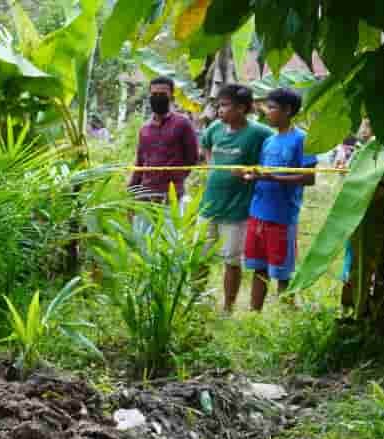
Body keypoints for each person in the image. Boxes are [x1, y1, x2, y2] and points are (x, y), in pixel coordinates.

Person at [239, 88, 317, 312]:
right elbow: (263, 172)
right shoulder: (269, 141)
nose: (268, 112)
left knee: (282, 271)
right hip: (258, 212)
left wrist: (274, 177)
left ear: (288, 110)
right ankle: (255, 314)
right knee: (258, 267)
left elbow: (309, 178)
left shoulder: (302, 139)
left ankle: (286, 315)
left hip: (282, 216)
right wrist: (249, 176)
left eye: (272, 108)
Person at [199, 83, 273, 313]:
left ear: (241, 108)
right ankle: (194, 299)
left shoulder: (260, 133)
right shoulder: (215, 129)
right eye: (218, 105)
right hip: (209, 205)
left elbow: (272, 158)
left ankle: (228, 307)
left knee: (231, 259)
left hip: (237, 210)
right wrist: (213, 166)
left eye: (225, 106)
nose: (220, 110)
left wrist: (252, 174)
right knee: (198, 256)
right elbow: (206, 147)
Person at [129, 76, 199, 205]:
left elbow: (192, 158)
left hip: (171, 196)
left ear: (171, 96)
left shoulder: (183, 124)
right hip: (145, 195)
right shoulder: (145, 129)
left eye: (162, 94)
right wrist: (131, 190)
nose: (158, 97)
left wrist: (176, 181)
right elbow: (139, 162)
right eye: (154, 94)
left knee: (170, 225)